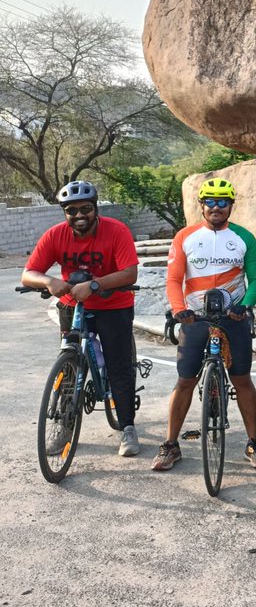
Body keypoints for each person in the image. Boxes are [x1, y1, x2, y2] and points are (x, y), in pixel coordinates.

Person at [153, 177, 256, 471]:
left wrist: (245, 305)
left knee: (242, 379)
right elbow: (174, 279)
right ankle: (170, 444)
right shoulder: (185, 237)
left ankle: (253, 441)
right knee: (185, 381)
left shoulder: (244, 237)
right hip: (195, 318)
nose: (216, 208)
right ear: (201, 205)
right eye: (211, 202)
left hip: (234, 317)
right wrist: (179, 309)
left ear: (231, 206)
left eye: (223, 202)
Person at [23, 180, 141, 457]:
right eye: (71, 210)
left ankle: (126, 427)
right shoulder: (55, 235)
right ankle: (65, 425)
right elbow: (29, 273)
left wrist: (96, 285)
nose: (79, 215)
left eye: (86, 209)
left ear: (95, 208)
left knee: (118, 367)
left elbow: (129, 273)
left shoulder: (116, 231)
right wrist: (49, 282)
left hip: (114, 305)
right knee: (69, 365)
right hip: (72, 305)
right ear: (64, 212)